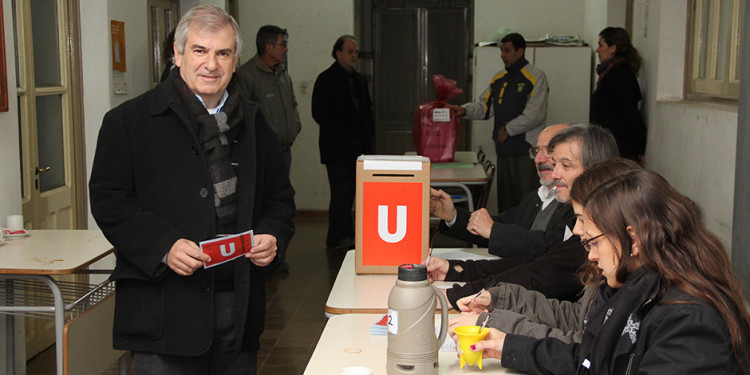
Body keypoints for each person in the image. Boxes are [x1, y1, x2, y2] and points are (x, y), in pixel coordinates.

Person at [89, 5, 296, 374]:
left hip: (238, 307)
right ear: (178, 54)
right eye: (200, 50)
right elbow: (110, 201)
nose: (211, 64)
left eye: (223, 53)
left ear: (235, 61)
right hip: (164, 309)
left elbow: (280, 199)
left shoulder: (254, 121)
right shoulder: (128, 122)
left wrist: (271, 235)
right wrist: (162, 246)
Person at [470, 170, 750, 374]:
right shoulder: (635, 289)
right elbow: (592, 360)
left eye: (594, 242)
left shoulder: (689, 320)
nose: (590, 255)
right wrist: (510, 348)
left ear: (635, 240)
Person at [448, 158, 641, 345]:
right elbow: (576, 318)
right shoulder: (609, 265)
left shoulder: (644, 295)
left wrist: (494, 324)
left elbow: (584, 350)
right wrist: (498, 298)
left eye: (565, 164)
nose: (576, 230)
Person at [429, 124, 619, 308]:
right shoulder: (541, 198)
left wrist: (461, 294)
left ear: (596, 171)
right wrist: (456, 270)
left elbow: (541, 273)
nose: (555, 172)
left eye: (565, 165)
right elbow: (531, 262)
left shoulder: (601, 228)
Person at [431, 123, 573, 258]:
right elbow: (502, 226)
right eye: (536, 151)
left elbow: (550, 248)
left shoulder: (577, 203)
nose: (538, 159)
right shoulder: (537, 196)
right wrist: (452, 215)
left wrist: (493, 231)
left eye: (549, 150)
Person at [449, 33, 548, 212]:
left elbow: (535, 114)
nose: (503, 55)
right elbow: (484, 107)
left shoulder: (536, 77)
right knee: (507, 202)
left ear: (520, 51)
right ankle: (506, 238)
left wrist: (508, 129)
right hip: (504, 150)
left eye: (507, 51)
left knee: (528, 201)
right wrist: (463, 110)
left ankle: (527, 239)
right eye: (501, 51)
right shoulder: (499, 78)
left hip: (527, 150)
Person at [312, 35, 374, 252]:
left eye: (356, 52)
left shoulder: (359, 80)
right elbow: (319, 114)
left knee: (360, 196)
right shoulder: (326, 79)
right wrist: (343, 131)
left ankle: (353, 236)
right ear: (338, 53)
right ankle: (337, 238)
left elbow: (367, 115)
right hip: (337, 150)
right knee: (341, 196)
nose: (354, 56)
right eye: (350, 51)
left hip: (359, 151)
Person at [237, 25, 301, 172]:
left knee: (283, 194)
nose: (286, 49)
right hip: (262, 155)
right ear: (269, 47)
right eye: (283, 45)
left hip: (284, 152)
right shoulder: (247, 75)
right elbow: (242, 115)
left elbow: (293, 105)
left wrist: (295, 126)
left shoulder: (283, 74)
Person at [590, 27, 647, 165]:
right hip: (608, 148)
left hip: (619, 150)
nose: (597, 50)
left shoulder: (620, 76)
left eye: (601, 45)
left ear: (613, 48)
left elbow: (630, 115)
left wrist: (639, 150)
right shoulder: (610, 74)